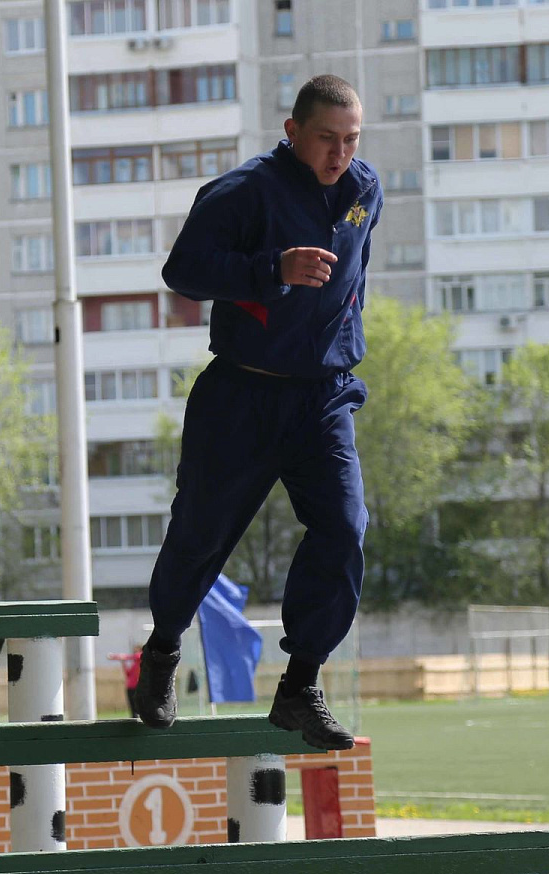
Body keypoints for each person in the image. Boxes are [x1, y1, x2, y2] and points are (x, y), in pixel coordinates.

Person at [129, 73, 382, 752]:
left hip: (323, 397)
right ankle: (160, 654)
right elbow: (183, 271)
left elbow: (354, 279)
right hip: (243, 393)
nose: (339, 153)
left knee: (345, 527)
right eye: (326, 138)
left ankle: (300, 685)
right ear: (292, 131)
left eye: (351, 139)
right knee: (202, 537)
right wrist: (273, 269)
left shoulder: (364, 190)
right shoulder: (244, 192)